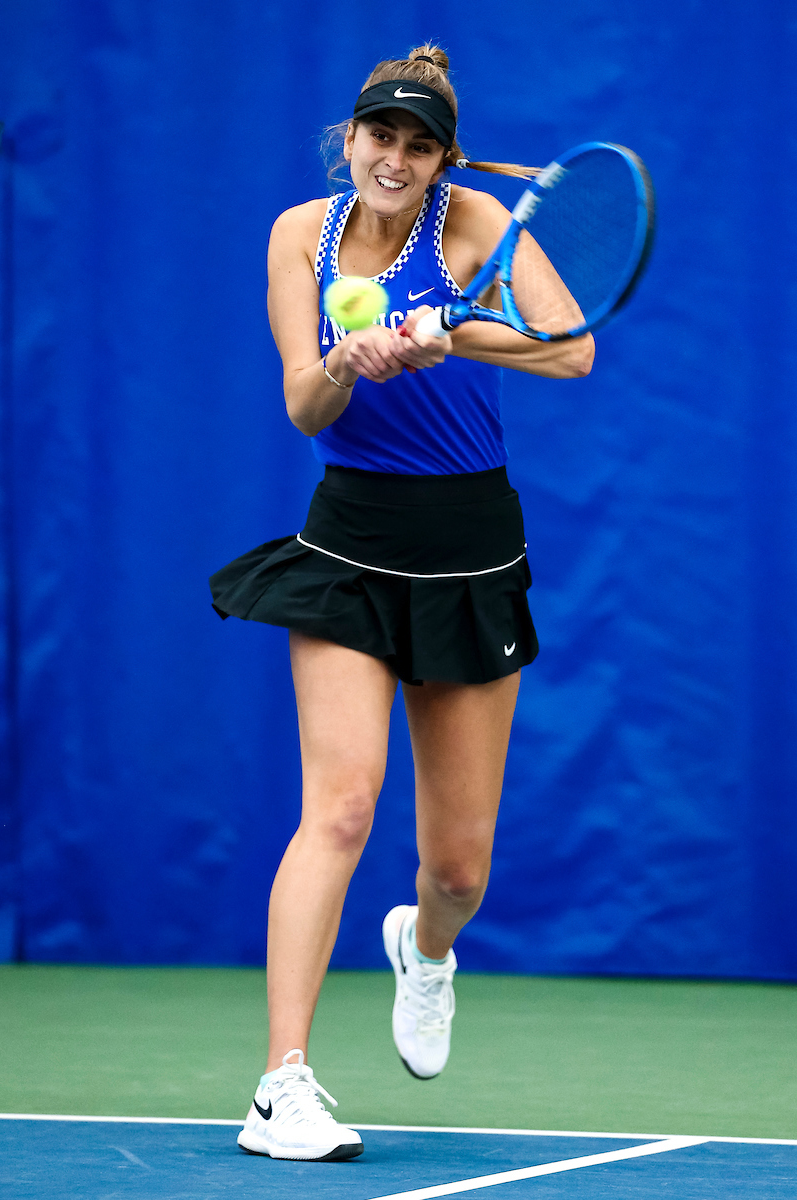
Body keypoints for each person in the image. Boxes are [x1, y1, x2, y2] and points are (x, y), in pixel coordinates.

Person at [210, 43, 593, 1163]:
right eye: (380, 135)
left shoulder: (472, 224)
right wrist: (350, 361)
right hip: (351, 543)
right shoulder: (297, 234)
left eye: (418, 145)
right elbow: (299, 404)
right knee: (337, 807)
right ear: (351, 138)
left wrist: (440, 330)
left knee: (456, 869)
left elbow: (570, 355)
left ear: (441, 161)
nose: (394, 157)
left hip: (472, 548)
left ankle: (425, 949)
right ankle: (280, 1086)